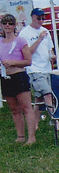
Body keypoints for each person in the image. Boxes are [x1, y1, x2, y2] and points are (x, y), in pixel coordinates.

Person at [19, 8, 59, 132]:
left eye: (43, 18)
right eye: (39, 18)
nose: (41, 21)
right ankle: (56, 121)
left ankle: (34, 124)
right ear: (32, 17)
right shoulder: (24, 33)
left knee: (39, 97)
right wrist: (39, 39)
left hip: (46, 68)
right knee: (47, 94)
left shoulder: (46, 31)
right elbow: (28, 53)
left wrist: (52, 56)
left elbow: (50, 50)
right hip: (34, 69)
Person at [1, 13, 37, 144]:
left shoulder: (20, 41)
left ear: (15, 25)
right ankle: (20, 136)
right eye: (5, 23)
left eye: (10, 23)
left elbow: (28, 61)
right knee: (14, 109)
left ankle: (31, 137)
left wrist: (13, 62)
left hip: (19, 76)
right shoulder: (0, 42)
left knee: (26, 107)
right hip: (6, 77)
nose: (7, 25)